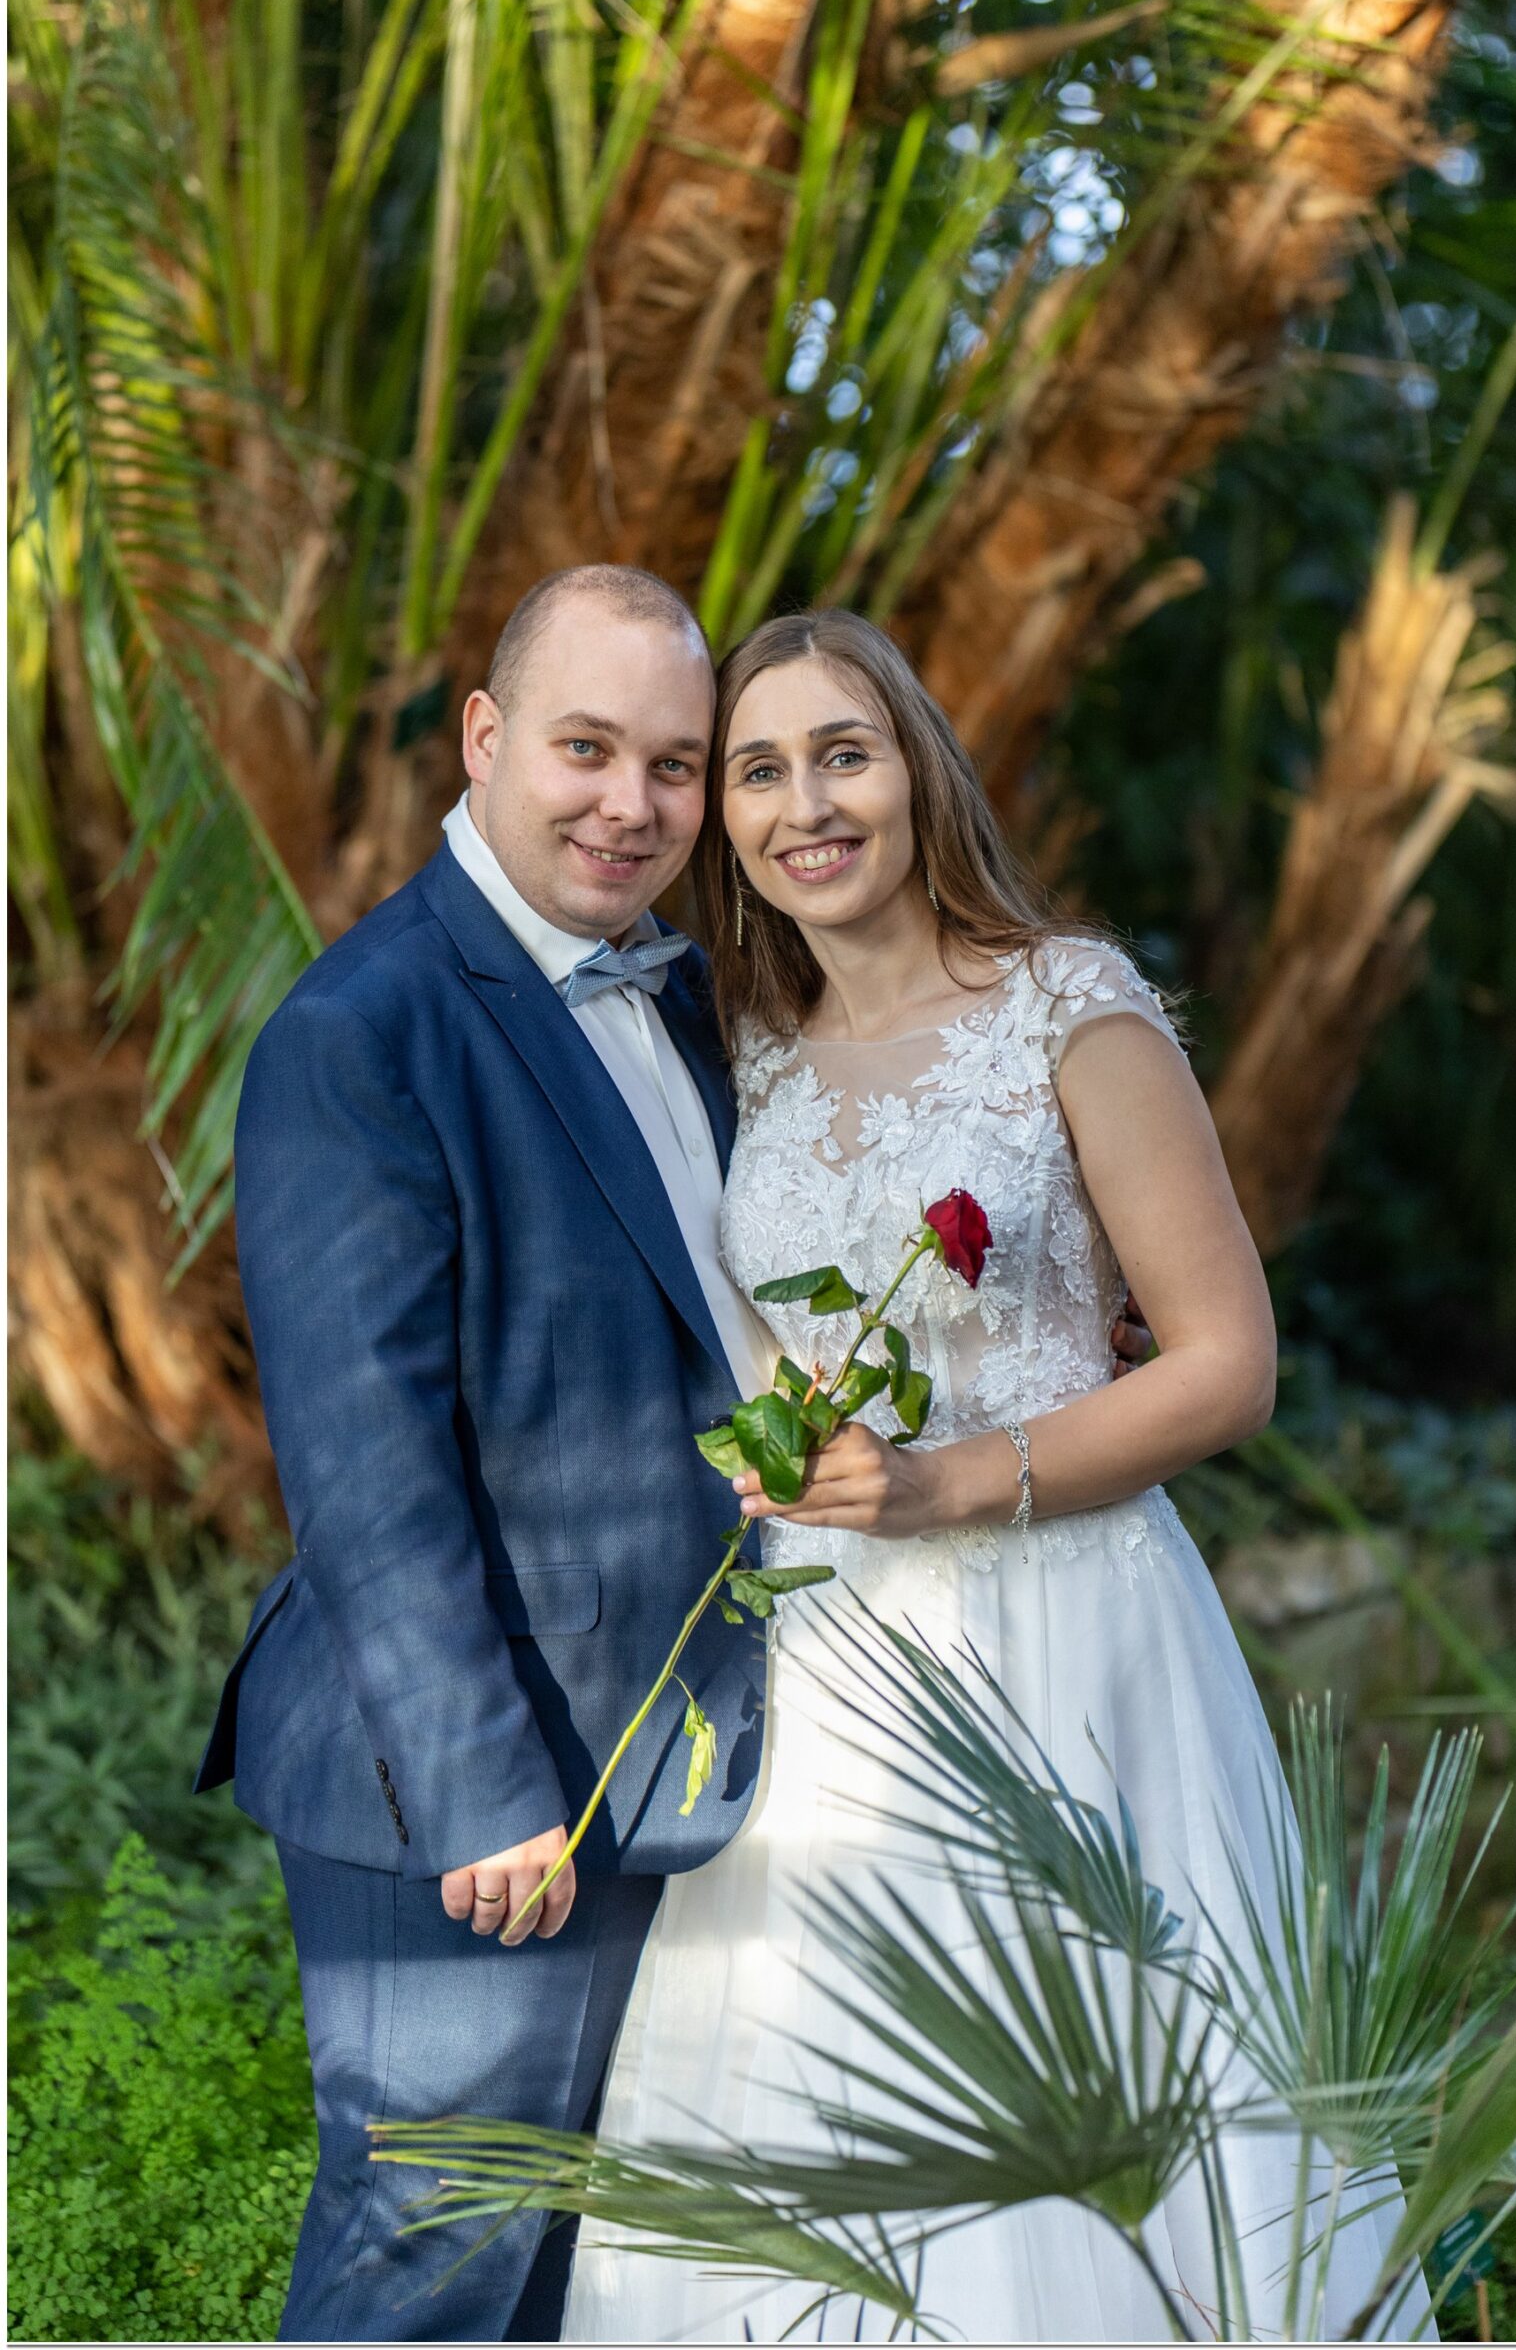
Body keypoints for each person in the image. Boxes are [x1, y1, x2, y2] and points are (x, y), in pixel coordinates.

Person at [195, 563, 1156, 2342]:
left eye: (673, 763)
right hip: (487, 1775)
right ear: (483, 738)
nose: (629, 805)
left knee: (590, 2271)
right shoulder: (363, 1034)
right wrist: (485, 1792)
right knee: (439, 2245)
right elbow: (366, 1470)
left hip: (702, 1741)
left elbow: (780, 1284)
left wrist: (1054, 1319)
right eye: (585, 749)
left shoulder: (712, 999)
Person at [565, 608, 1436, 2346]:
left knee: (1117, 2096)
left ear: (920, 770)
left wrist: (948, 1485)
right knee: (820, 2100)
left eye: (844, 754)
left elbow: (1225, 1363)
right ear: (725, 815)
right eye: (758, 771)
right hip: (829, 1664)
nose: (806, 805)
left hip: (1068, 1636)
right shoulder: (746, 1047)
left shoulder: (1070, 1008)